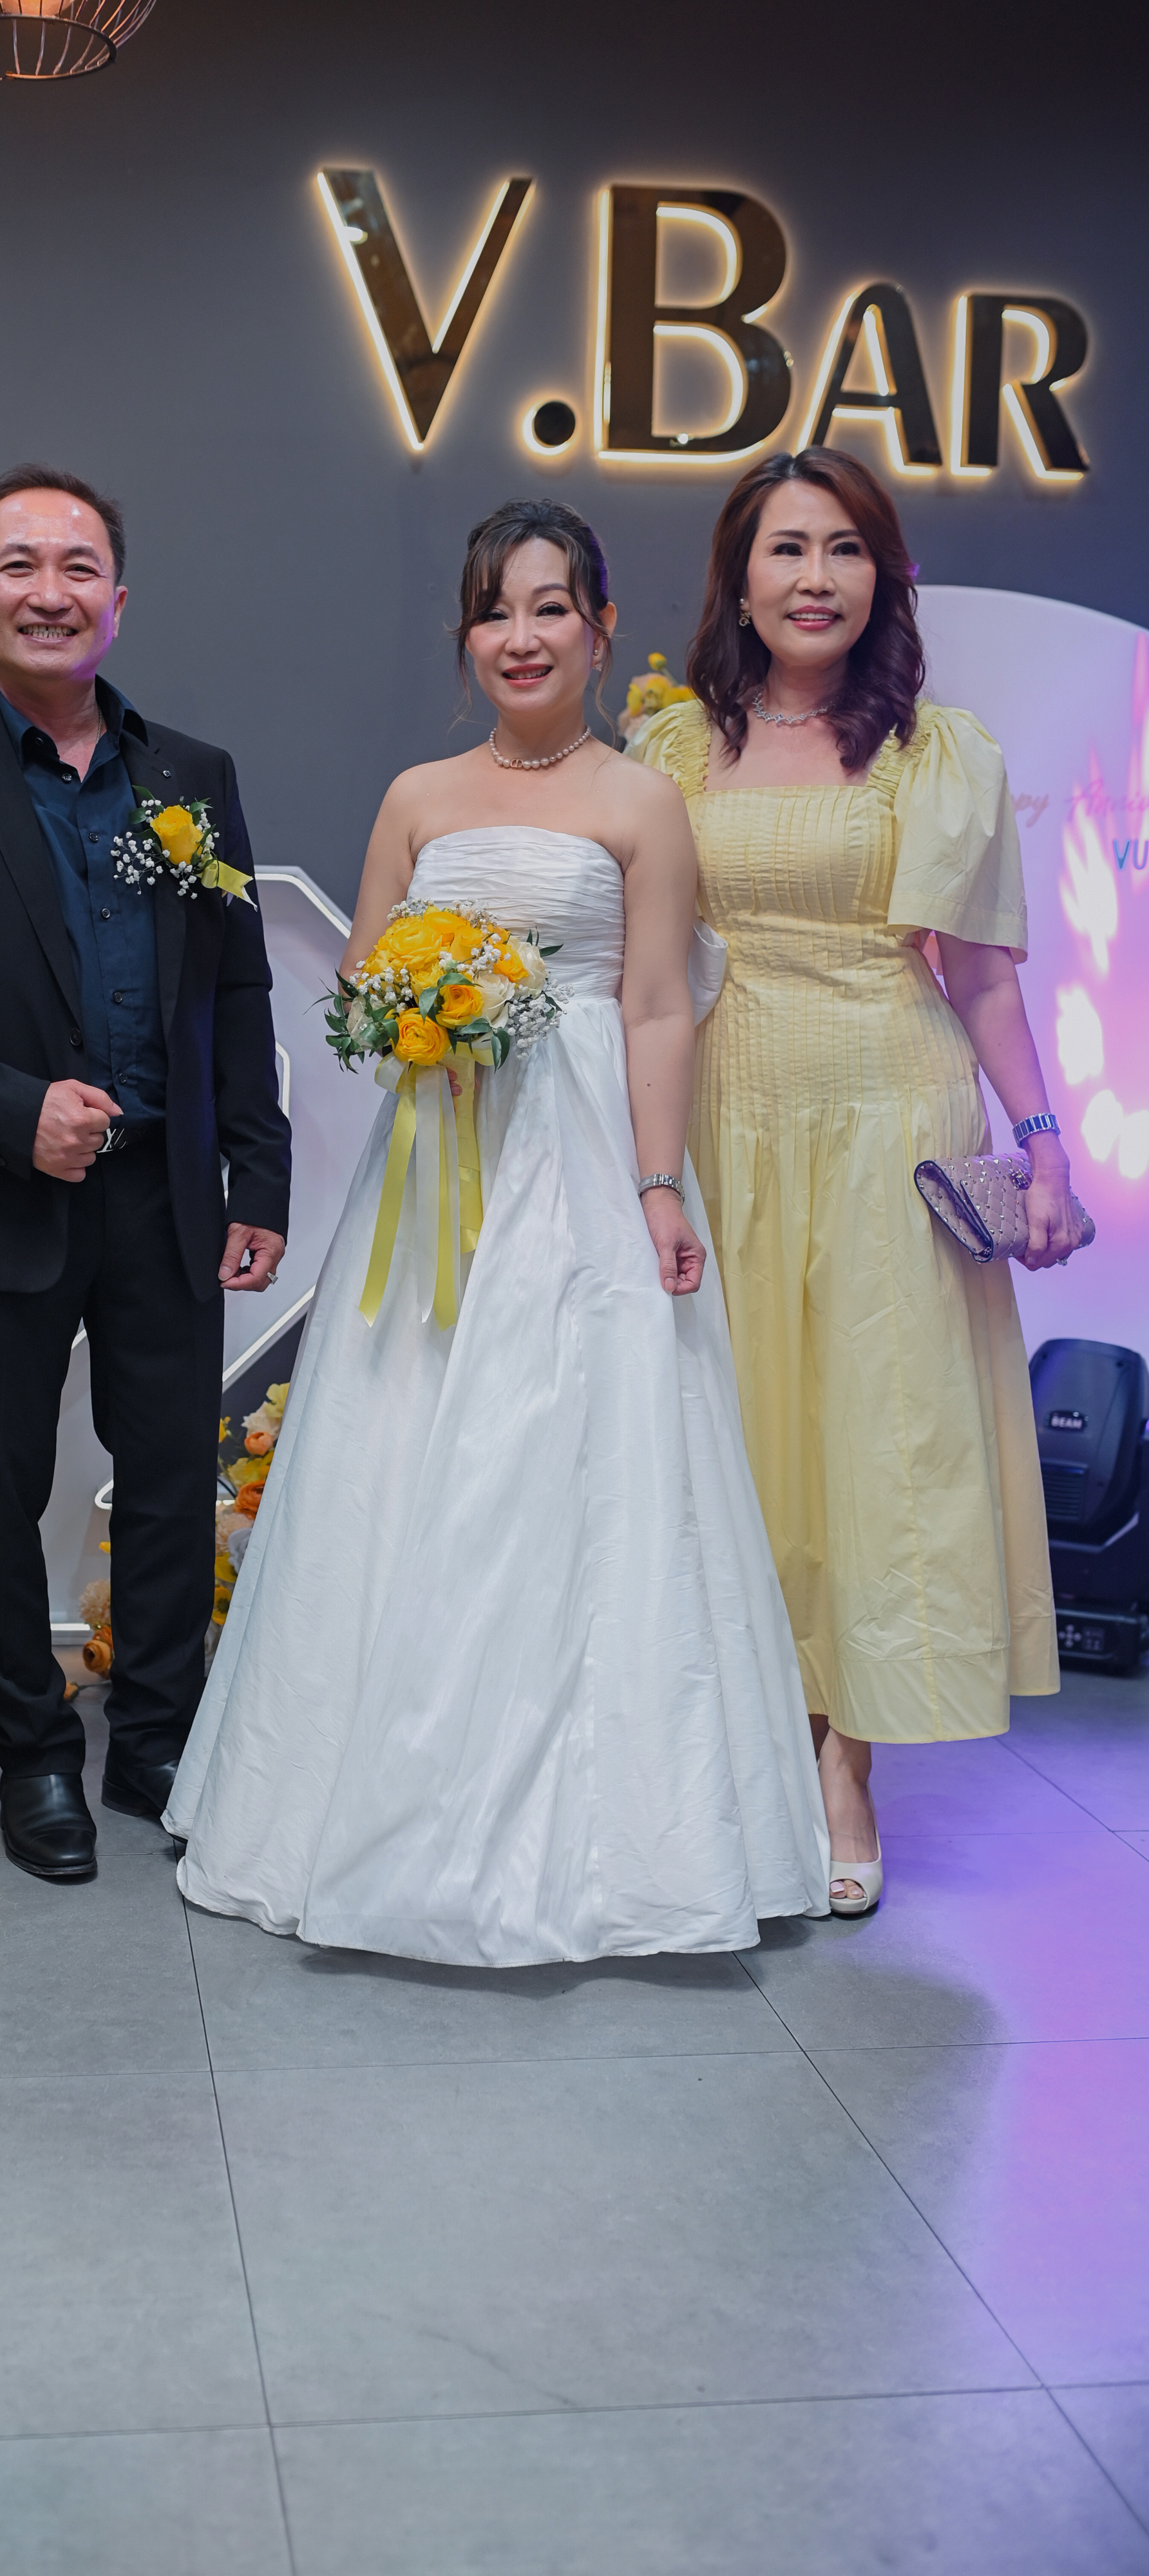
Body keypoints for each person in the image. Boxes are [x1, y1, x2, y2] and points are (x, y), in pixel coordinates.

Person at [165, 499, 831, 1967]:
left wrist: (655, 1187)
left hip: (579, 1155)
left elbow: (654, 1007)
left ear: (600, 627)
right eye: (492, 612)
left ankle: (605, 1840)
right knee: (402, 1441)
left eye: (548, 608)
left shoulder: (640, 801)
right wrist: (416, 1010)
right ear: (465, 637)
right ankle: (362, 1804)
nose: (519, 637)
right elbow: (357, 982)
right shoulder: (416, 795)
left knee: (580, 1452)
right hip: (434, 1163)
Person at [0, 465, 292, 1886]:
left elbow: (239, 987)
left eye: (77, 567)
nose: (49, 592)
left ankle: (153, 1735)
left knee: (168, 1480)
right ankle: (30, 1747)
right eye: (18, 566)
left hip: (164, 1191)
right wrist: (12, 1112)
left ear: (117, 600)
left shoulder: (191, 773)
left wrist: (257, 1175)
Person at [631, 447, 1082, 1916]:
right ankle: (742, 1738)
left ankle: (843, 1764)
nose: (813, 577)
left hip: (892, 1110)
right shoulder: (668, 748)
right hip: (723, 1113)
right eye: (784, 548)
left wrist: (1043, 1144)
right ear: (737, 578)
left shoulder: (937, 751)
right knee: (740, 1434)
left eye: (842, 549)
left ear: (883, 577)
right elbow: (638, 975)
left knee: (881, 1441)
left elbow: (984, 979)